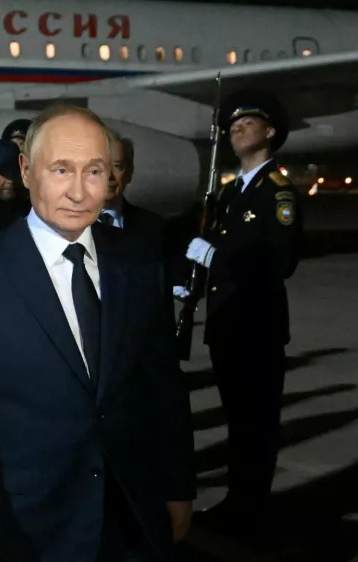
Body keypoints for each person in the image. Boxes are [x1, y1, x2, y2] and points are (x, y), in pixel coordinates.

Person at [0, 105, 195, 562]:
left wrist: (178, 484)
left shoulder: (137, 262)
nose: (77, 190)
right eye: (61, 170)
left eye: (94, 171)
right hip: (27, 528)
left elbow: (163, 385)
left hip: (132, 518)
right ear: (27, 172)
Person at [183, 90, 302, 527]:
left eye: (247, 123)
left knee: (256, 421)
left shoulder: (277, 191)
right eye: (231, 126)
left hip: (257, 324)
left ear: (270, 132)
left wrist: (218, 259)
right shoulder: (232, 193)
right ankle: (238, 500)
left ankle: (253, 508)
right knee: (237, 419)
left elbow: (281, 260)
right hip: (227, 322)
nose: (236, 130)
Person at [102, 132, 167, 254]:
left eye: (117, 166)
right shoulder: (65, 225)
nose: (109, 176)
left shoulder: (154, 228)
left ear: (129, 173)